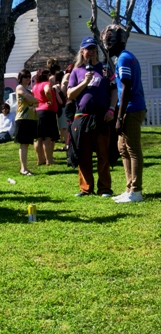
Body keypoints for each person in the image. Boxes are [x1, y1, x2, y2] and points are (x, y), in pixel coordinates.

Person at [101, 24, 147, 203]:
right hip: (129, 108)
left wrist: (119, 117)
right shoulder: (124, 58)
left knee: (133, 149)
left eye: (109, 42)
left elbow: (126, 88)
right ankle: (129, 188)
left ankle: (136, 190)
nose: (107, 46)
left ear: (117, 42)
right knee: (123, 148)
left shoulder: (124, 59)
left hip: (131, 108)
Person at [67, 36, 117, 197]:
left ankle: (105, 189)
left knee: (103, 154)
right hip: (82, 117)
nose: (91, 52)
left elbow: (114, 91)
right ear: (82, 51)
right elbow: (69, 94)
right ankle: (86, 188)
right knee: (84, 154)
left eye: (94, 49)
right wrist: (84, 83)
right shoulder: (76, 71)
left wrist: (111, 109)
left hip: (102, 117)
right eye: (88, 49)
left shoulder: (105, 69)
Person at [32, 68, 59, 165]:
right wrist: (51, 101)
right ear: (46, 75)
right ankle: (49, 160)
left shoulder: (35, 86)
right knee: (48, 137)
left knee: (38, 138)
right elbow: (47, 91)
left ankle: (40, 159)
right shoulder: (46, 84)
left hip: (37, 112)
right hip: (47, 112)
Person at [15, 69, 38, 176]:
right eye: (25, 76)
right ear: (20, 78)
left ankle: (24, 168)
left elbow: (34, 102)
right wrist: (34, 100)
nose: (28, 79)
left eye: (29, 77)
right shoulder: (20, 87)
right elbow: (31, 100)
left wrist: (33, 100)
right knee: (23, 144)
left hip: (30, 118)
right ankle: (23, 169)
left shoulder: (29, 90)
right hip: (22, 118)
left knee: (26, 144)